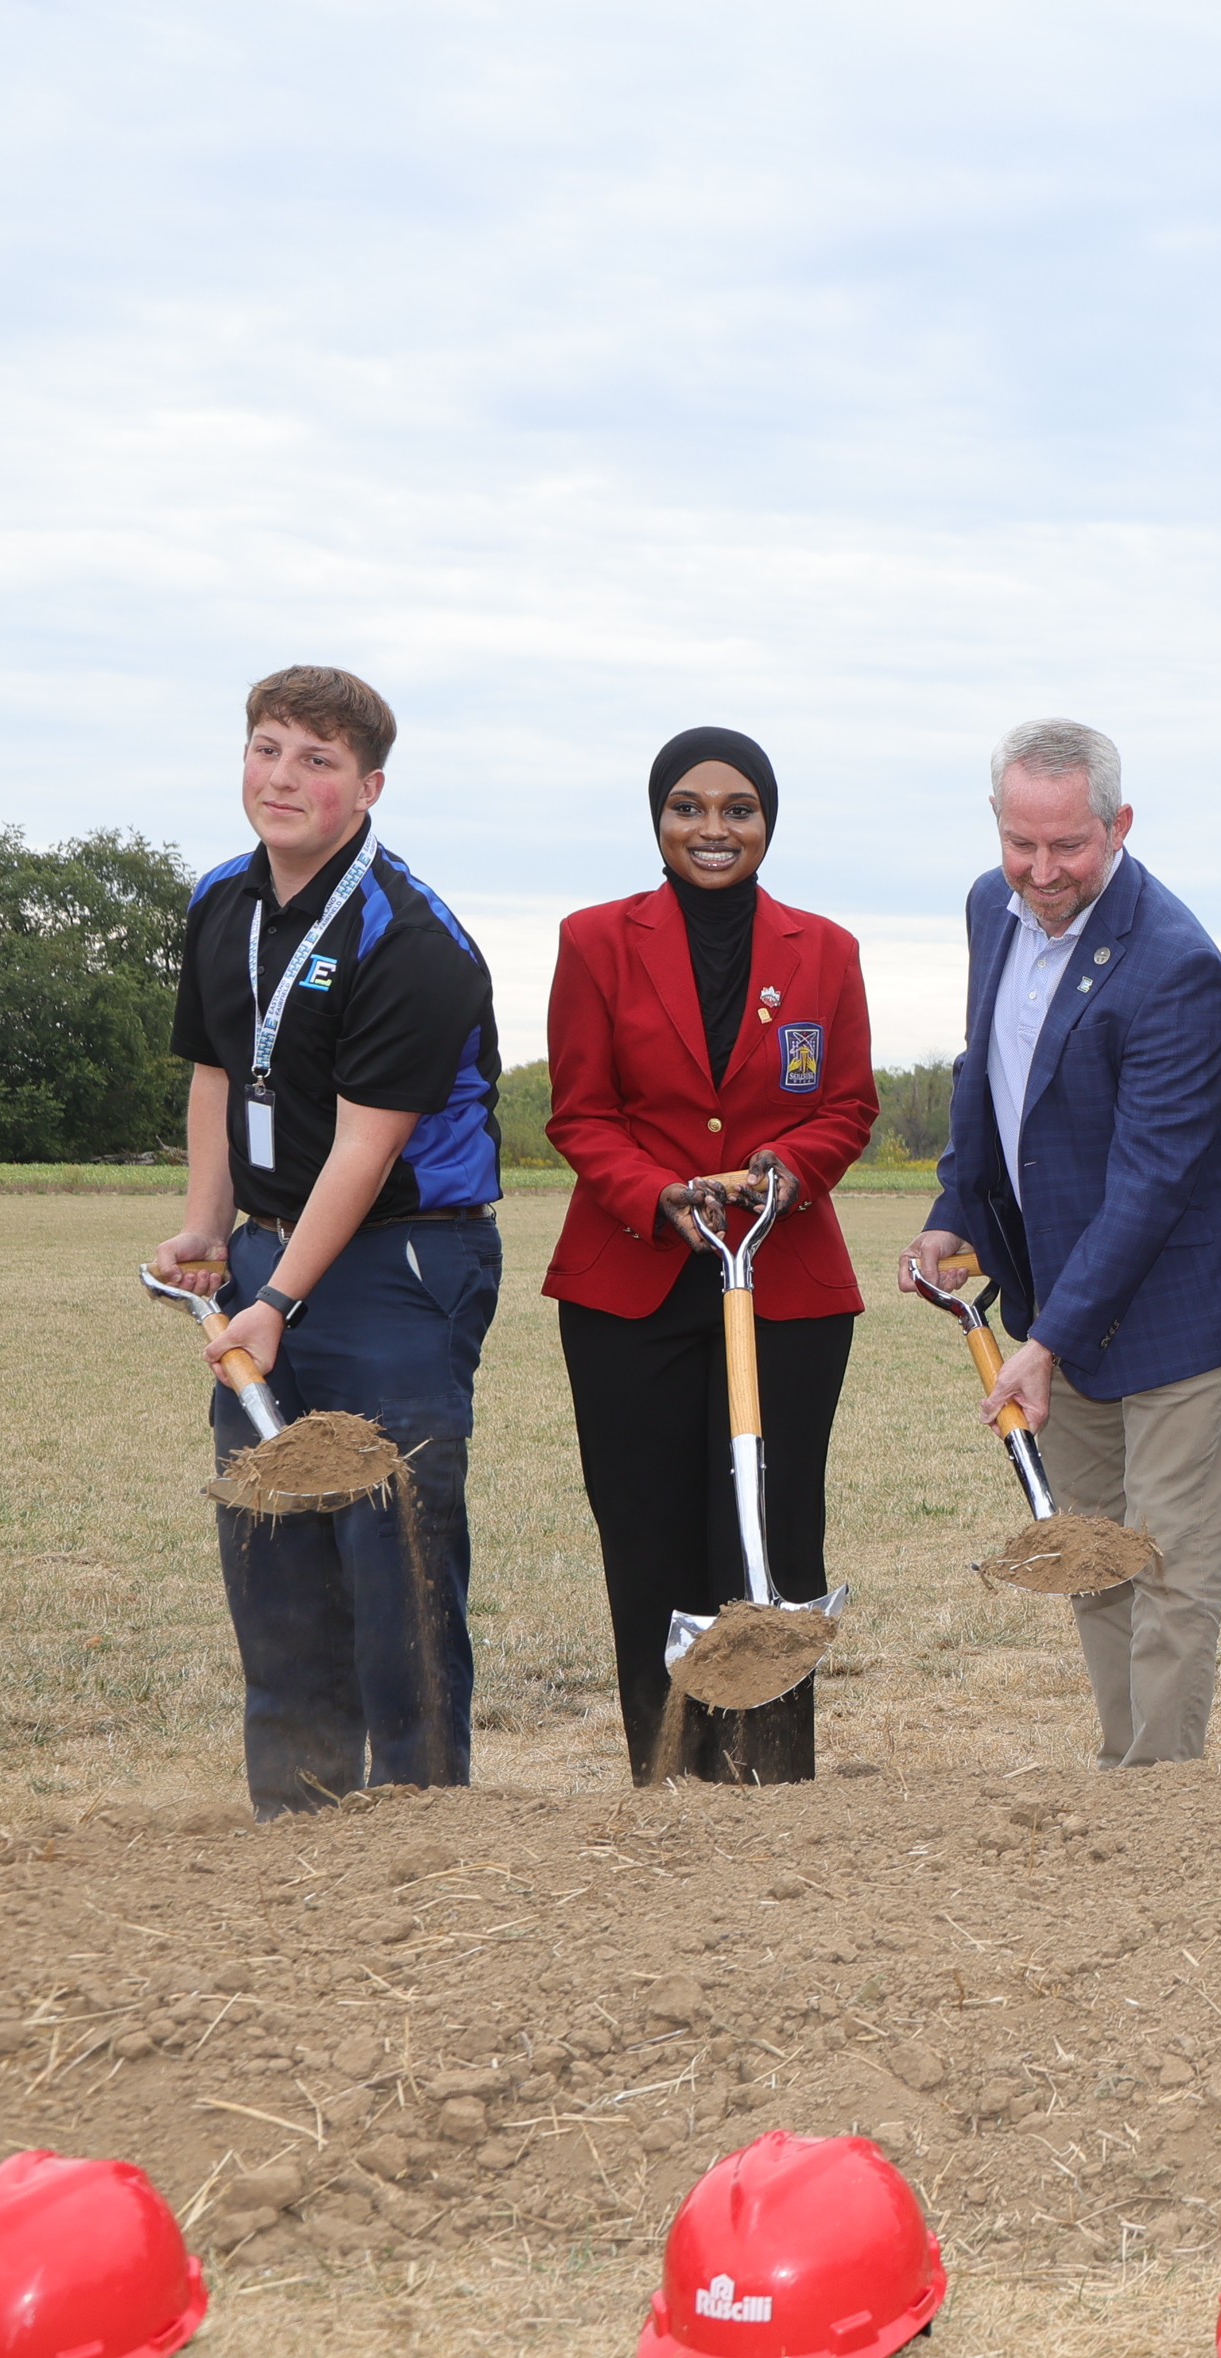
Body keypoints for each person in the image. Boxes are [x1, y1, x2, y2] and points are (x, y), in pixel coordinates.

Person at [150, 666, 504, 1817]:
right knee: (270, 1534)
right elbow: (215, 1072)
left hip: (399, 1264)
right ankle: (294, 1816)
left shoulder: (411, 936)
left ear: (369, 787)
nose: (283, 778)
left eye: (317, 760)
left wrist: (280, 1298)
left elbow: (362, 1151)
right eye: (267, 748)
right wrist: (211, 1229)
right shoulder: (221, 901)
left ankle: (418, 1820)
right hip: (265, 1257)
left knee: (389, 1546)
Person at [906, 719, 1221, 1767]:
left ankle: (1160, 1800)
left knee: (1163, 1568)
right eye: (1020, 844)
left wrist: (1047, 1340)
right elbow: (988, 1071)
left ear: (1117, 825)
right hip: (1058, 1303)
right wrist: (954, 1209)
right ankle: (1126, 1773)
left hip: (1177, 1312)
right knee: (1094, 1558)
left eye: (1067, 846)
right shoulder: (995, 906)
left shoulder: (1176, 965)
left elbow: (1151, 1184)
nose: (1041, 871)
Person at [541, 728, 880, 1783]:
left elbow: (848, 1105)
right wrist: (659, 1195)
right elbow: (581, 1114)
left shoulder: (825, 950)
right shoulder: (596, 939)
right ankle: (669, 1772)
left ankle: (771, 1772)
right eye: (688, 807)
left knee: (771, 1537)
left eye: (738, 808)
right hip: (630, 1287)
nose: (713, 828)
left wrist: (784, 1171)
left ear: (768, 822)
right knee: (649, 1544)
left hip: (784, 1287)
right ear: (658, 821)